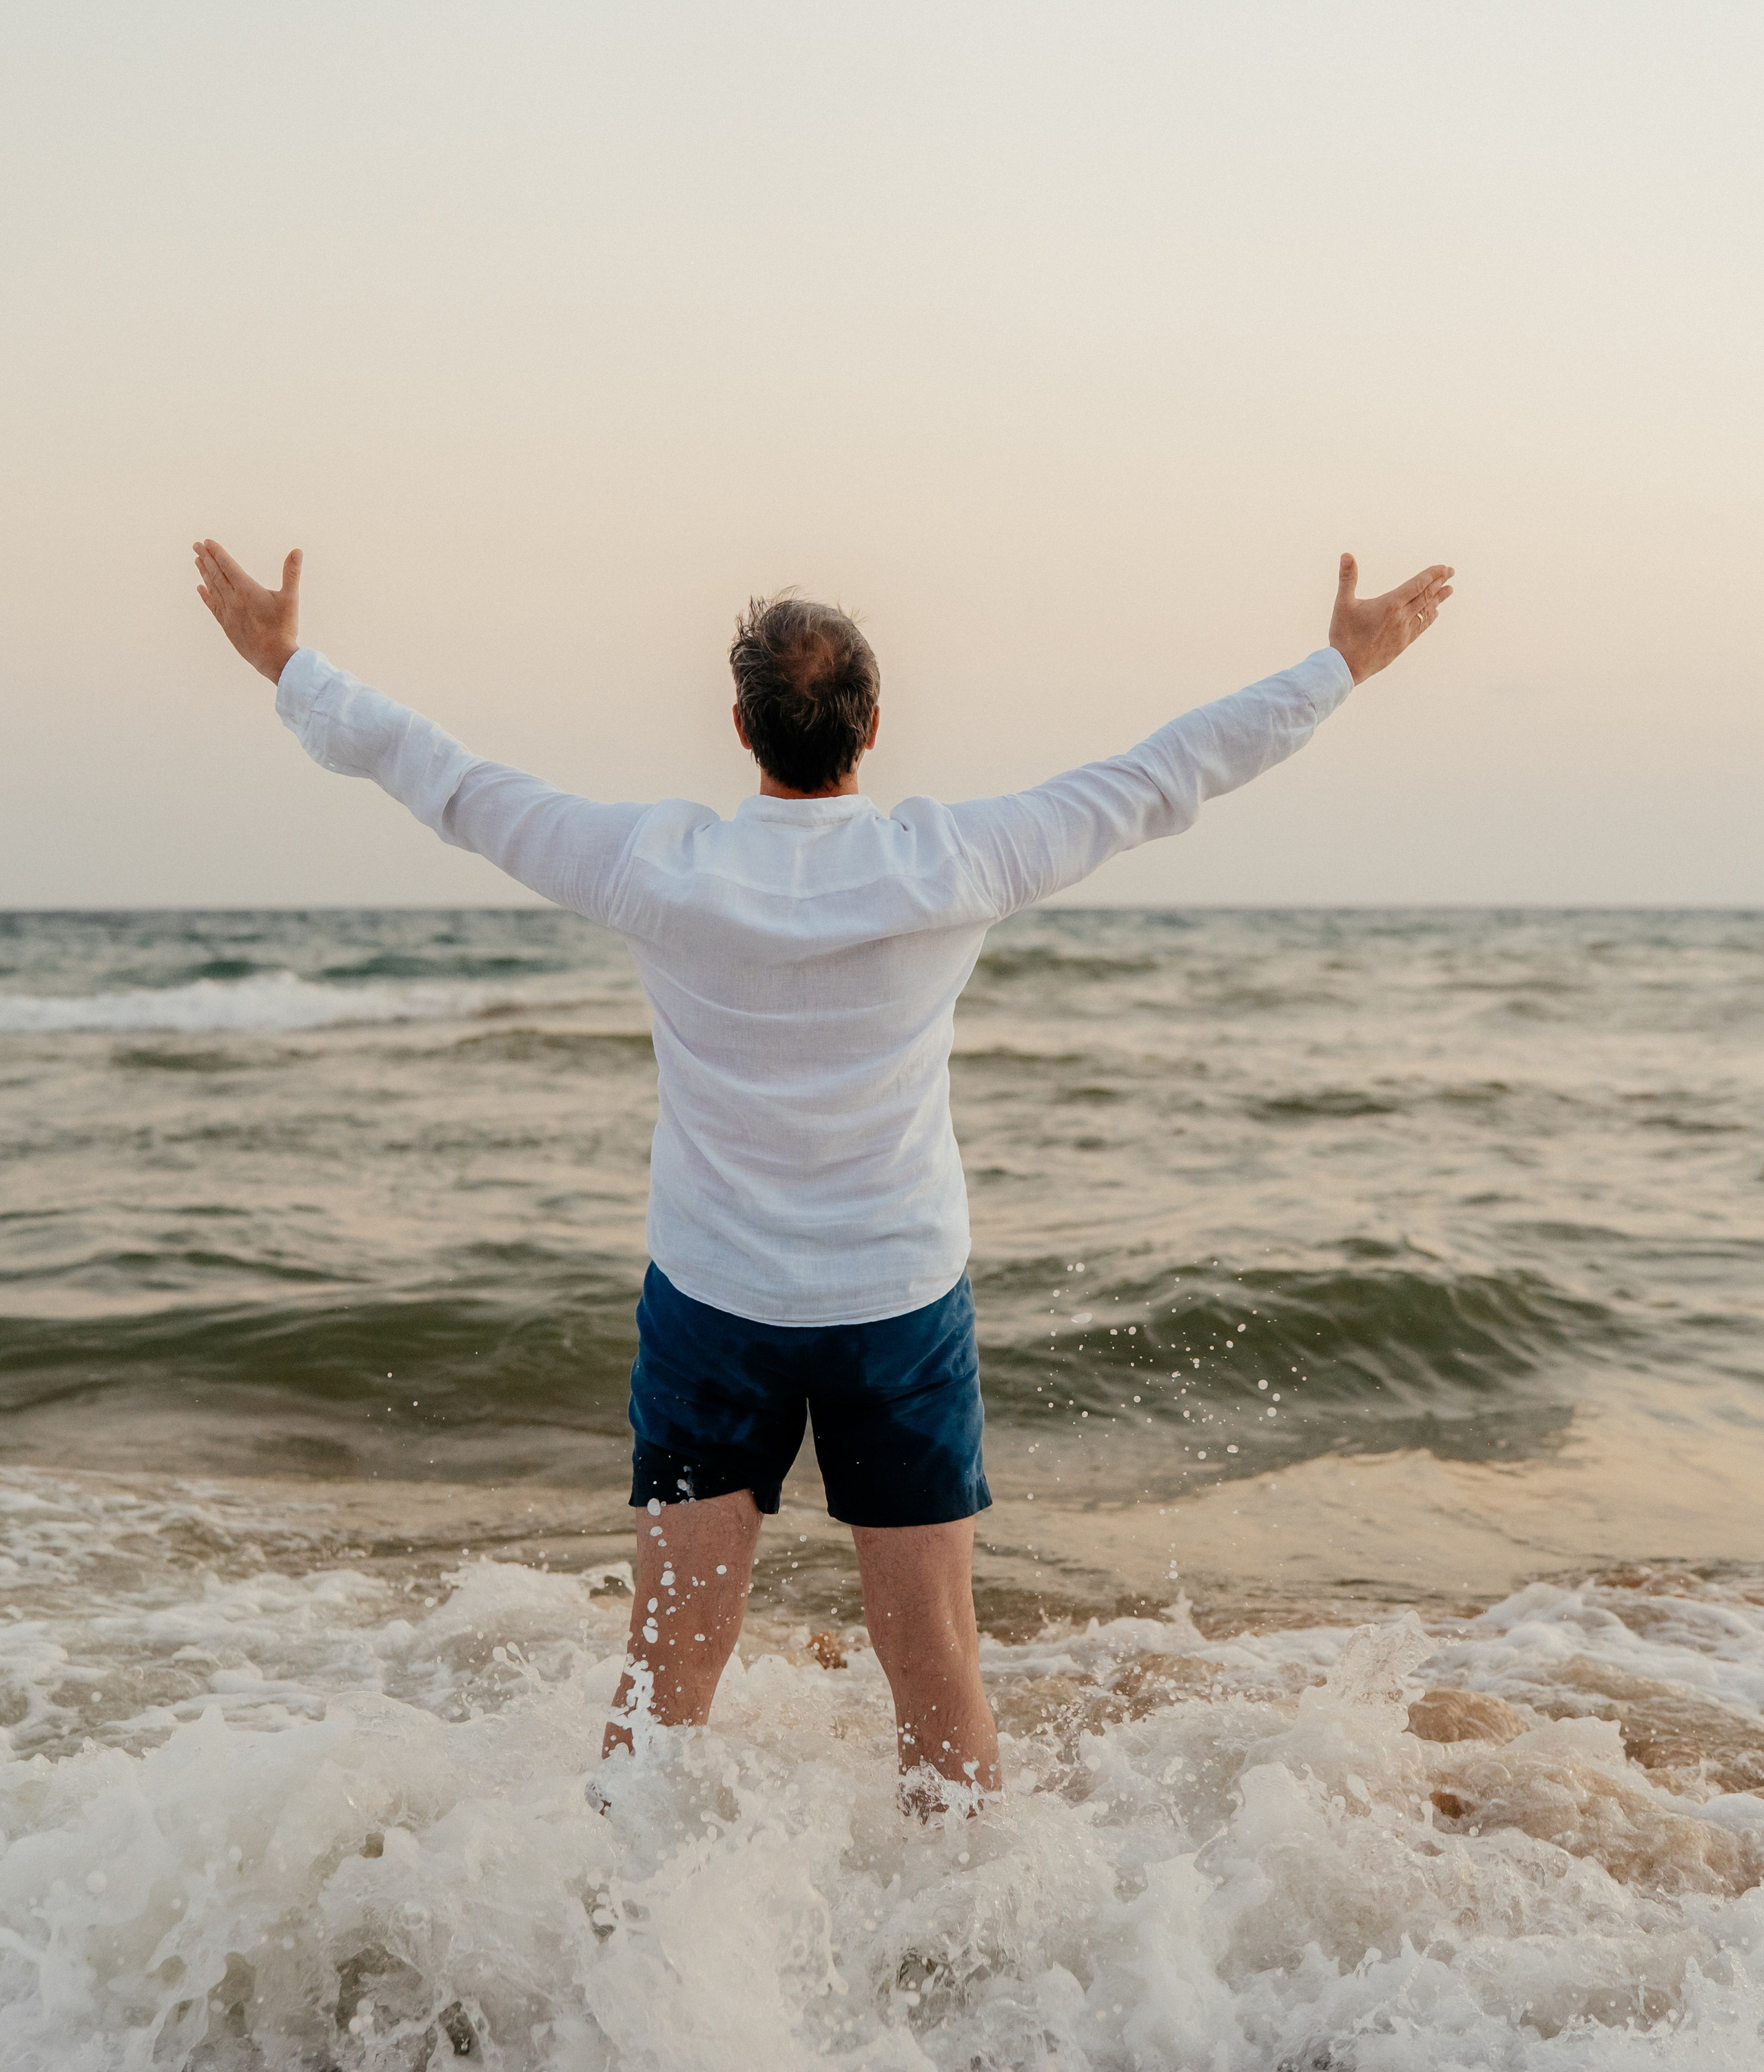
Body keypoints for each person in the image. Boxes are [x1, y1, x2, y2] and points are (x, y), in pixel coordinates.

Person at [194, 538, 1452, 1806]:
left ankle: (618, 1945)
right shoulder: (951, 862)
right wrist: (1340, 665)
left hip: (713, 1311)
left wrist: (288, 666)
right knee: (934, 1664)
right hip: (896, 1311)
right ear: (874, 724)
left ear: (740, 725)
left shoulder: (659, 865)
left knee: (668, 1669)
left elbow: (448, 783)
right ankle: (958, 1957)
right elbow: (1168, 773)